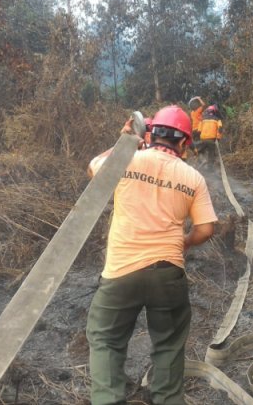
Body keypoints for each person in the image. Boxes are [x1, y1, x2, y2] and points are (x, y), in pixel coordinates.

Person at [85, 105, 218, 405]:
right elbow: (206, 229)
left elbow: (93, 169)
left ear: (150, 133)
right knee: (169, 347)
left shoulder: (127, 160)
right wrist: (183, 243)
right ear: (184, 143)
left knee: (105, 340)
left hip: (120, 273)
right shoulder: (193, 177)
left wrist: (124, 143)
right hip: (168, 273)